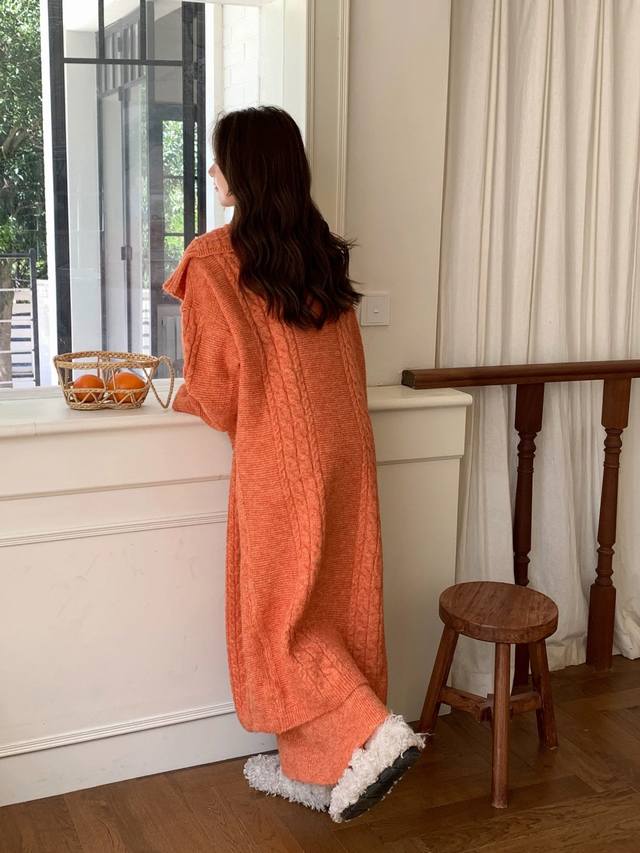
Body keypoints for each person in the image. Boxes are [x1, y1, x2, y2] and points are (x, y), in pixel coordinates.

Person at [163, 105, 425, 822]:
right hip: (348, 449)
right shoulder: (323, 252)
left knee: (277, 617)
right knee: (337, 602)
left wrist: (179, 397)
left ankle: (372, 730)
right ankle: (316, 769)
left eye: (220, 159)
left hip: (279, 457)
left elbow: (217, 393)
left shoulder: (212, 260)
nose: (211, 171)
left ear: (245, 172)